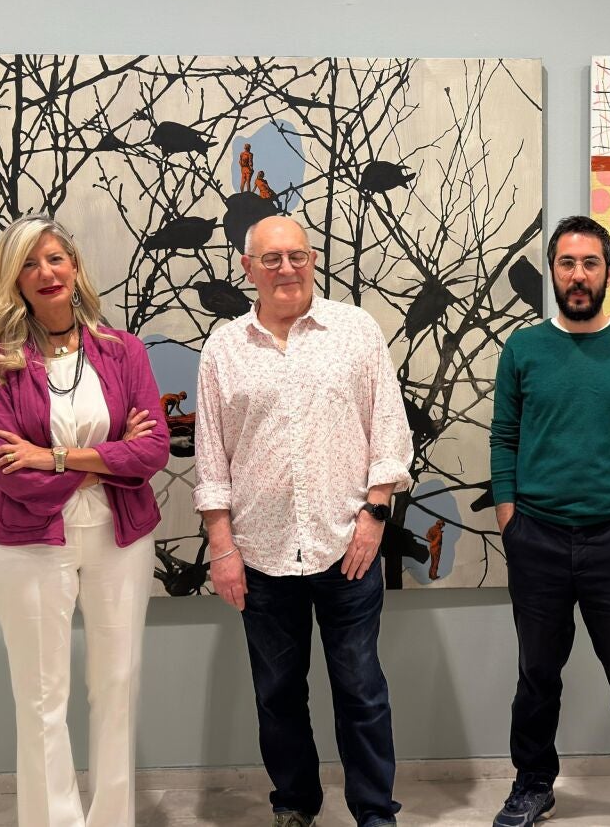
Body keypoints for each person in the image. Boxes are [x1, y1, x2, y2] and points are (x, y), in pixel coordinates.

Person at [193, 215, 413, 827]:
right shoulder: (223, 349)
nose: (286, 268)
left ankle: (374, 812)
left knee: (361, 690)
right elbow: (211, 459)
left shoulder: (356, 331)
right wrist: (222, 547)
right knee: (277, 693)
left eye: (297, 255)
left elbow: (390, 433)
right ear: (248, 269)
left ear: (313, 259)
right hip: (260, 554)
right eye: (271, 259)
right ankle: (294, 803)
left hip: (348, 546)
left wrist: (375, 515)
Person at [0, 213, 171, 827]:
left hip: (120, 538)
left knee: (118, 686)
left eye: (55, 258)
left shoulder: (122, 350)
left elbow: (153, 451)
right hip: (30, 542)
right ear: (14, 280)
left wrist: (55, 457)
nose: (45, 272)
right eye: (29, 264)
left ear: (75, 266)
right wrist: (109, 460)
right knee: (41, 699)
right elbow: (14, 476)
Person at [489, 215, 610, 827]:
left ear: (607, 273)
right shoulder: (523, 349)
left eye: (589, 263)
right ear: (553, 272)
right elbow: (504, 438)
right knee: (536, 676)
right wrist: (510, 519)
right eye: (567, 263)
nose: (578, 274)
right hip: (536, 538)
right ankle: (532, 784)